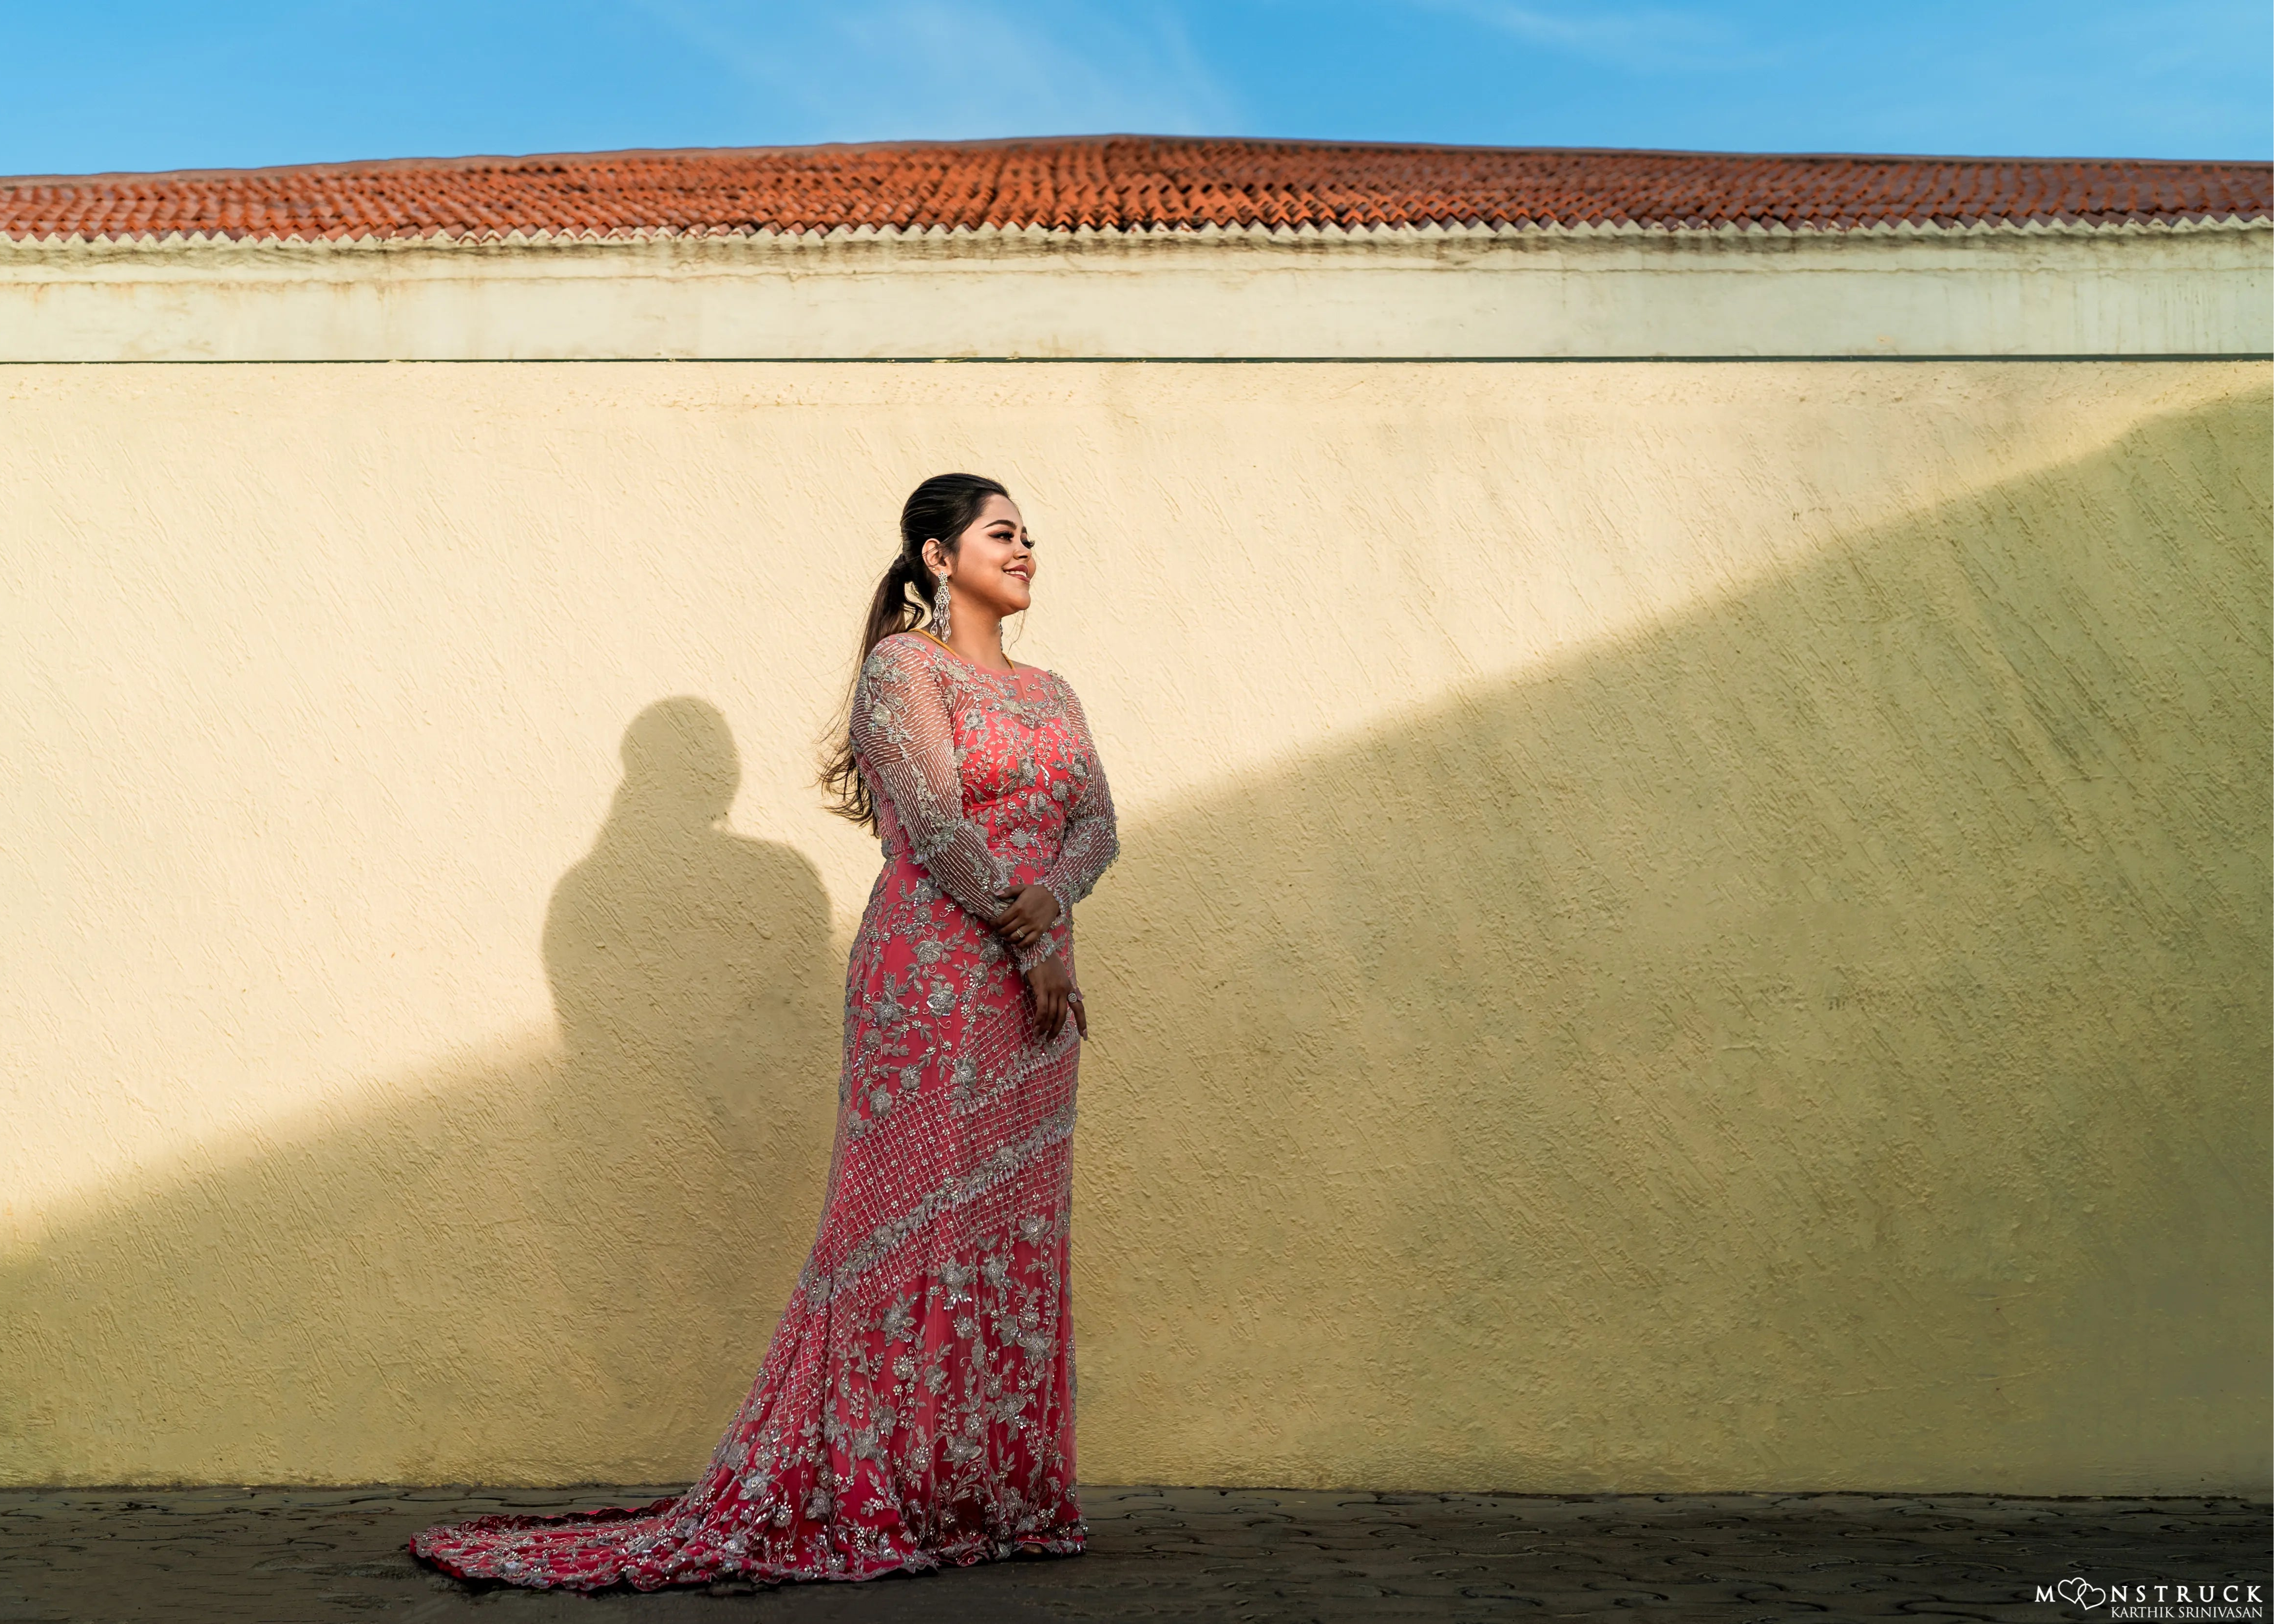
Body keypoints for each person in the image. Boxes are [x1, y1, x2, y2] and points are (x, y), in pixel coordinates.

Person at [410, 473, 1118, 1590]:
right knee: (905, 1227)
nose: (1024, 548)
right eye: (999, 533)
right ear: (938, 558)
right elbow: (935, 823)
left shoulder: (1053, 689)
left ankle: (989, 1494)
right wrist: (1032, 939)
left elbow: (1098, 823)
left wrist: (1052, 906)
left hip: (1031, 995)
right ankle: (879, 1485)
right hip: (936, 980)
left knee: (1007, 1228)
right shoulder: (904, 669)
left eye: (1029, 534)